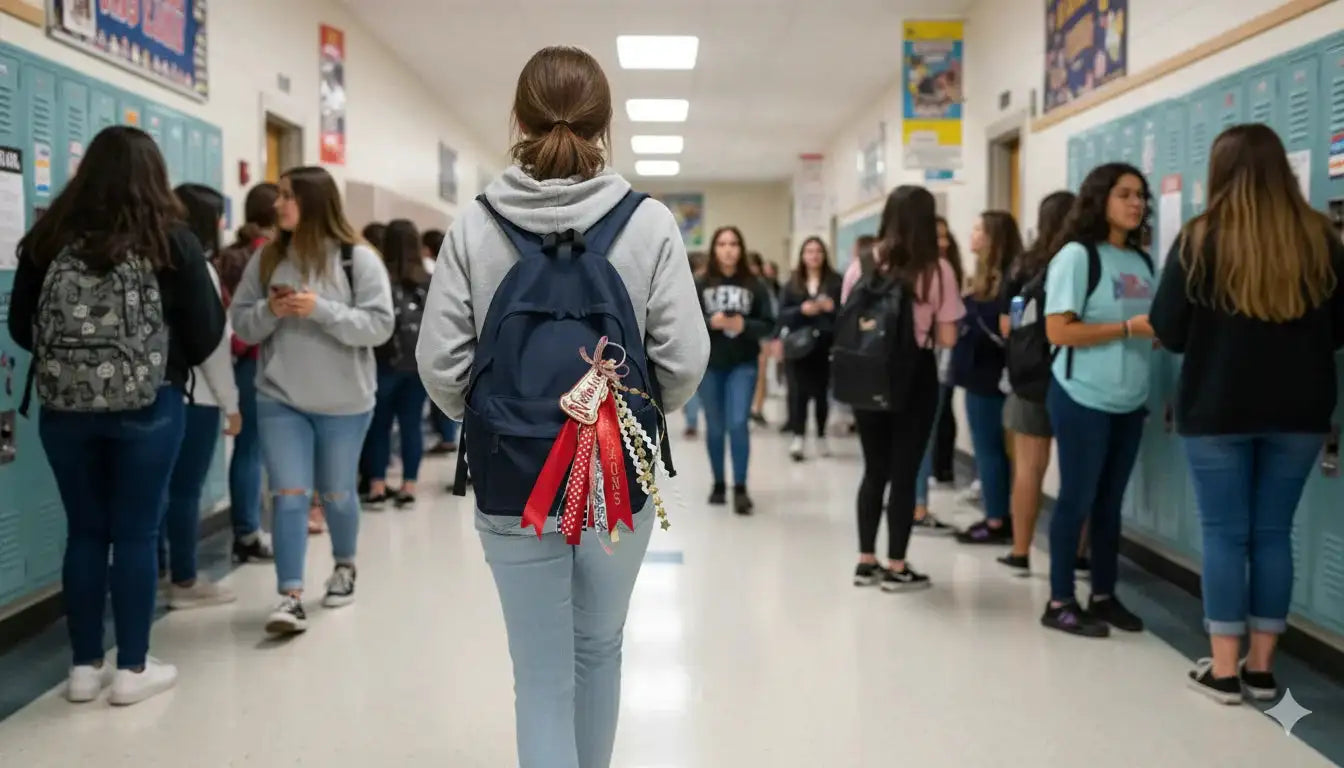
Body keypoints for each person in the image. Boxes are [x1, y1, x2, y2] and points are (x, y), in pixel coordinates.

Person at [415, 46, 708, 768]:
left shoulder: (475, 225)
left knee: (540, 674)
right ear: (607, 126)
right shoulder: (648, 223)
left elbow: (439, 363)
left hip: (512, 474)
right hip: (617, 475)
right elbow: (684, 358)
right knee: (600, 650)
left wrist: (487, 417)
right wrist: (632, 415)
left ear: (516, 117)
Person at [8, 125, 224, 704]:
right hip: (150, 406)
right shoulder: (170, 240)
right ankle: (131, 668)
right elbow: (207, 333)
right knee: (135, 532)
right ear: (153, 175)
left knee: (85, 531)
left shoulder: (48, 236)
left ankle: (82, 669)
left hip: (64, 408)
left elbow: (19, 326)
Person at [1150, 123, 1344, 702]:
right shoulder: (1322, 240)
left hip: (1217, 409)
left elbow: (1169, 330)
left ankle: (1226, 670)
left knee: (1224, 535)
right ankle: (1263, 668)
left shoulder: (1198, 240)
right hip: (1301, 412)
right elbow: (1339, 332)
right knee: (1272, 534)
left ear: (1220, 172)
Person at [231, 166, 394, 636]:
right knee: (289, 495)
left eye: (287, 196)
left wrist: (319, 309)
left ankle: (344, 566)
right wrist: (271, 310)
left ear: (314, 202)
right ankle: (290, 595)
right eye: (279, 195)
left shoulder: (356, 260)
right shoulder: (265, 261)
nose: (278, 204)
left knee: (339, 494)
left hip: (345, 401)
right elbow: (242, 324)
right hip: (281, 398)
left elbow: (379, 326)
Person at [1041, 162, 1156, 638]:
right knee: (1076, 499)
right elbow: (1058, 329)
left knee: (1110, 504)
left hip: (1130, 399)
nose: (1136, 203)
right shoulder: (1077, 256)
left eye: (1141, 195)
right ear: (1100, 200)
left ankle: (1103, 595)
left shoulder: (1142, 261)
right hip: (1081, 396)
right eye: (1124, 194)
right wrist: (1126, 329)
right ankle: (1060, 599)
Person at [850, 186, 964, 591]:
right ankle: (897, 566)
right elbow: (948, 338)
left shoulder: (861, 263)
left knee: (873, 469)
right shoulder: (937, 270)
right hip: (915, 378)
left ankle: (866, 561)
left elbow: (849, 323)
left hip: (867, 378)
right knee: (904, 474)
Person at [158, 183, 242, 609]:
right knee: (185, 490)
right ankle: (185, 580)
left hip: (163, 389)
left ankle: (160, 572)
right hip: (199, 395)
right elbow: (213, 345)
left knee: (161, 489)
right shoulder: (198, 266)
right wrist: (232, 404)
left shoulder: (155, 255)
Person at [996, 191, 1075, 574]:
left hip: (1030, 378)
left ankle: (1021, 550)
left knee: (1028, 468)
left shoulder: (1024, 266)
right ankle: (1079, 554)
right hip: (1076, 374)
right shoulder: (1082, 260)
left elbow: (1010, 319)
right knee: (1080, 472)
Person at [215, 183, 279, 562]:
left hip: (237, 362)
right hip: (261, 359)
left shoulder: (228, 255)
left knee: (247, 448)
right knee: (254, 448)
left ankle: (247, 527)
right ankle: (249, 531)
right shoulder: (268, 256)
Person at [953, 211, 1023, 544]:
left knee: (989, 450)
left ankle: (996, 520)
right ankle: (998, 514)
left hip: (991, 376)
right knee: (991, 450)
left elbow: (1013, 328)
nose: (973, 234)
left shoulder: (1011, 282)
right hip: (980, 373)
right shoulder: (981, 279)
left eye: (979, 229)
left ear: (994, 238)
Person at [697, 226, 776, 514]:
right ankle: (719, 482)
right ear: (714, 249)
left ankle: (740, 486)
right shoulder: (699, 282)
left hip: (743, 363)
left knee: (738, 423)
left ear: (741, 249)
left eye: (733, 244)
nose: (728, 249)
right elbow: (685, 319)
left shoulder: (755, 284)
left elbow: (769, 323)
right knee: (715, 427)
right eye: (722, 243)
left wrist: (745, 326)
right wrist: (710, 322)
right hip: (709, 365)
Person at [363, 219, 431, 509]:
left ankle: (377, 485)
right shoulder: (427, 280)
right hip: (416, 366)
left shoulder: (378, 277)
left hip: (382, 362)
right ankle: (409, 485)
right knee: (411, 424)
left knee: (378, 425)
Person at [778, 236, 842, 461]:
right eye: (809, 251)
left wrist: (830, 307)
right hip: (798, 347)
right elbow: (782, 315)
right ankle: (798, 436)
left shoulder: (835, 282)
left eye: (818, 251)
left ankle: (822, 435)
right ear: (802, 256)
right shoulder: (792, 284)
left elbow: (846, 314)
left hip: (824, 346)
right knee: (798, 394)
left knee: (822, 393)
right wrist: (802, 310)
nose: (814, 256)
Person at [682, 251, 709, 437]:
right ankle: (694, 420)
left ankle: (692, 421)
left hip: (691, 341)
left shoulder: (682, 286)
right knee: (697, 384)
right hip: (697, 341)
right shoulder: (700, 286)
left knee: (693, 385)